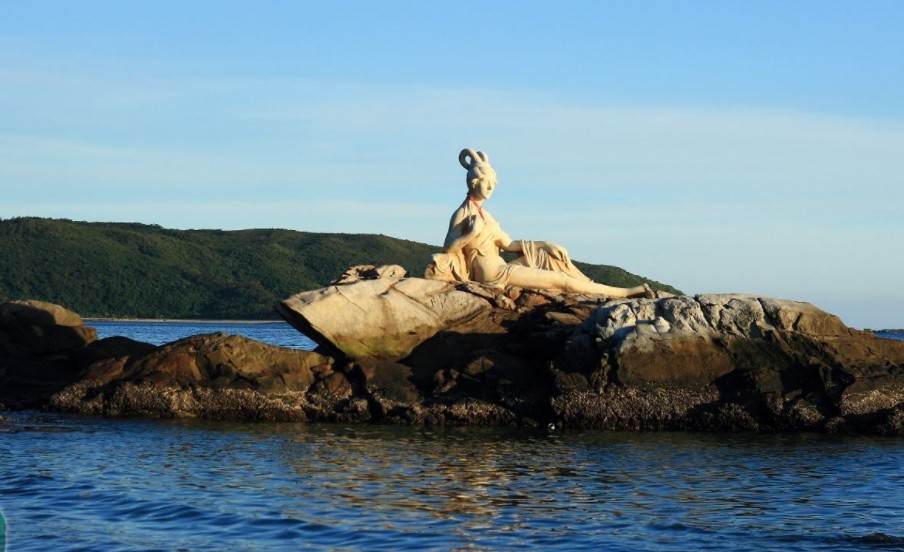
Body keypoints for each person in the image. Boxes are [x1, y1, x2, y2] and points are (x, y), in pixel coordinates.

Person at [425, 148, 653, 298]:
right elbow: (448, 248)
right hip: (493, 274)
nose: (491, 187)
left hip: (502, 266)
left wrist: (546, 244)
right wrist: (469, 234)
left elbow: (509, 245)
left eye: (493, 183)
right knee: (559, 280)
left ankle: (588, 284)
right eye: (487, 182)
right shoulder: (463, 213)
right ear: (474, 182)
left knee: (548, 256)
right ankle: (622, 293)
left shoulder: (488, 216)